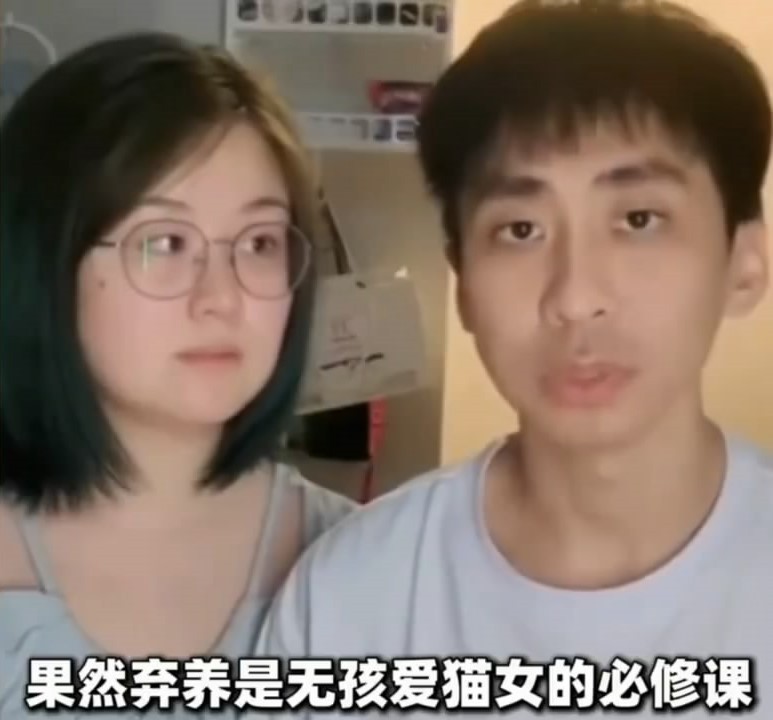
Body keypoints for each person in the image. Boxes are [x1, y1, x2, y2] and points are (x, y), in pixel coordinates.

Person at [255, 0, 773, 716]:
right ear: (463, 284)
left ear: (744, 260)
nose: (575, 297)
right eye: (521, 229)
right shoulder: (352, 599)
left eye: (637, 219)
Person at [0, 32, 356, 718]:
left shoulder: (370, 561)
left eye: (259, 243)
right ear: (44, 261)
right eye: (165, 243)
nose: (221, 298)